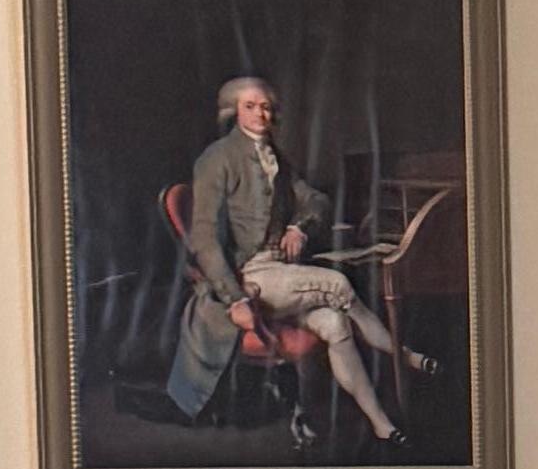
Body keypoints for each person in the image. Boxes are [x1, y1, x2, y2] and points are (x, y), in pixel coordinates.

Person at [166, 73, 406, 441]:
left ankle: (379, 424)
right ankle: (404, 356)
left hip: (281, 273)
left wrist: (300, 226)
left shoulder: (275, 156)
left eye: (265, 107)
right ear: (234, 112)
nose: (260, 114)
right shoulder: (216, 159)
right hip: (246, 279)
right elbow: (205, 241)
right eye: (250, 106)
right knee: (337, 283)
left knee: (335, 324)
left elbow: (317, 200)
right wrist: (236, 298)